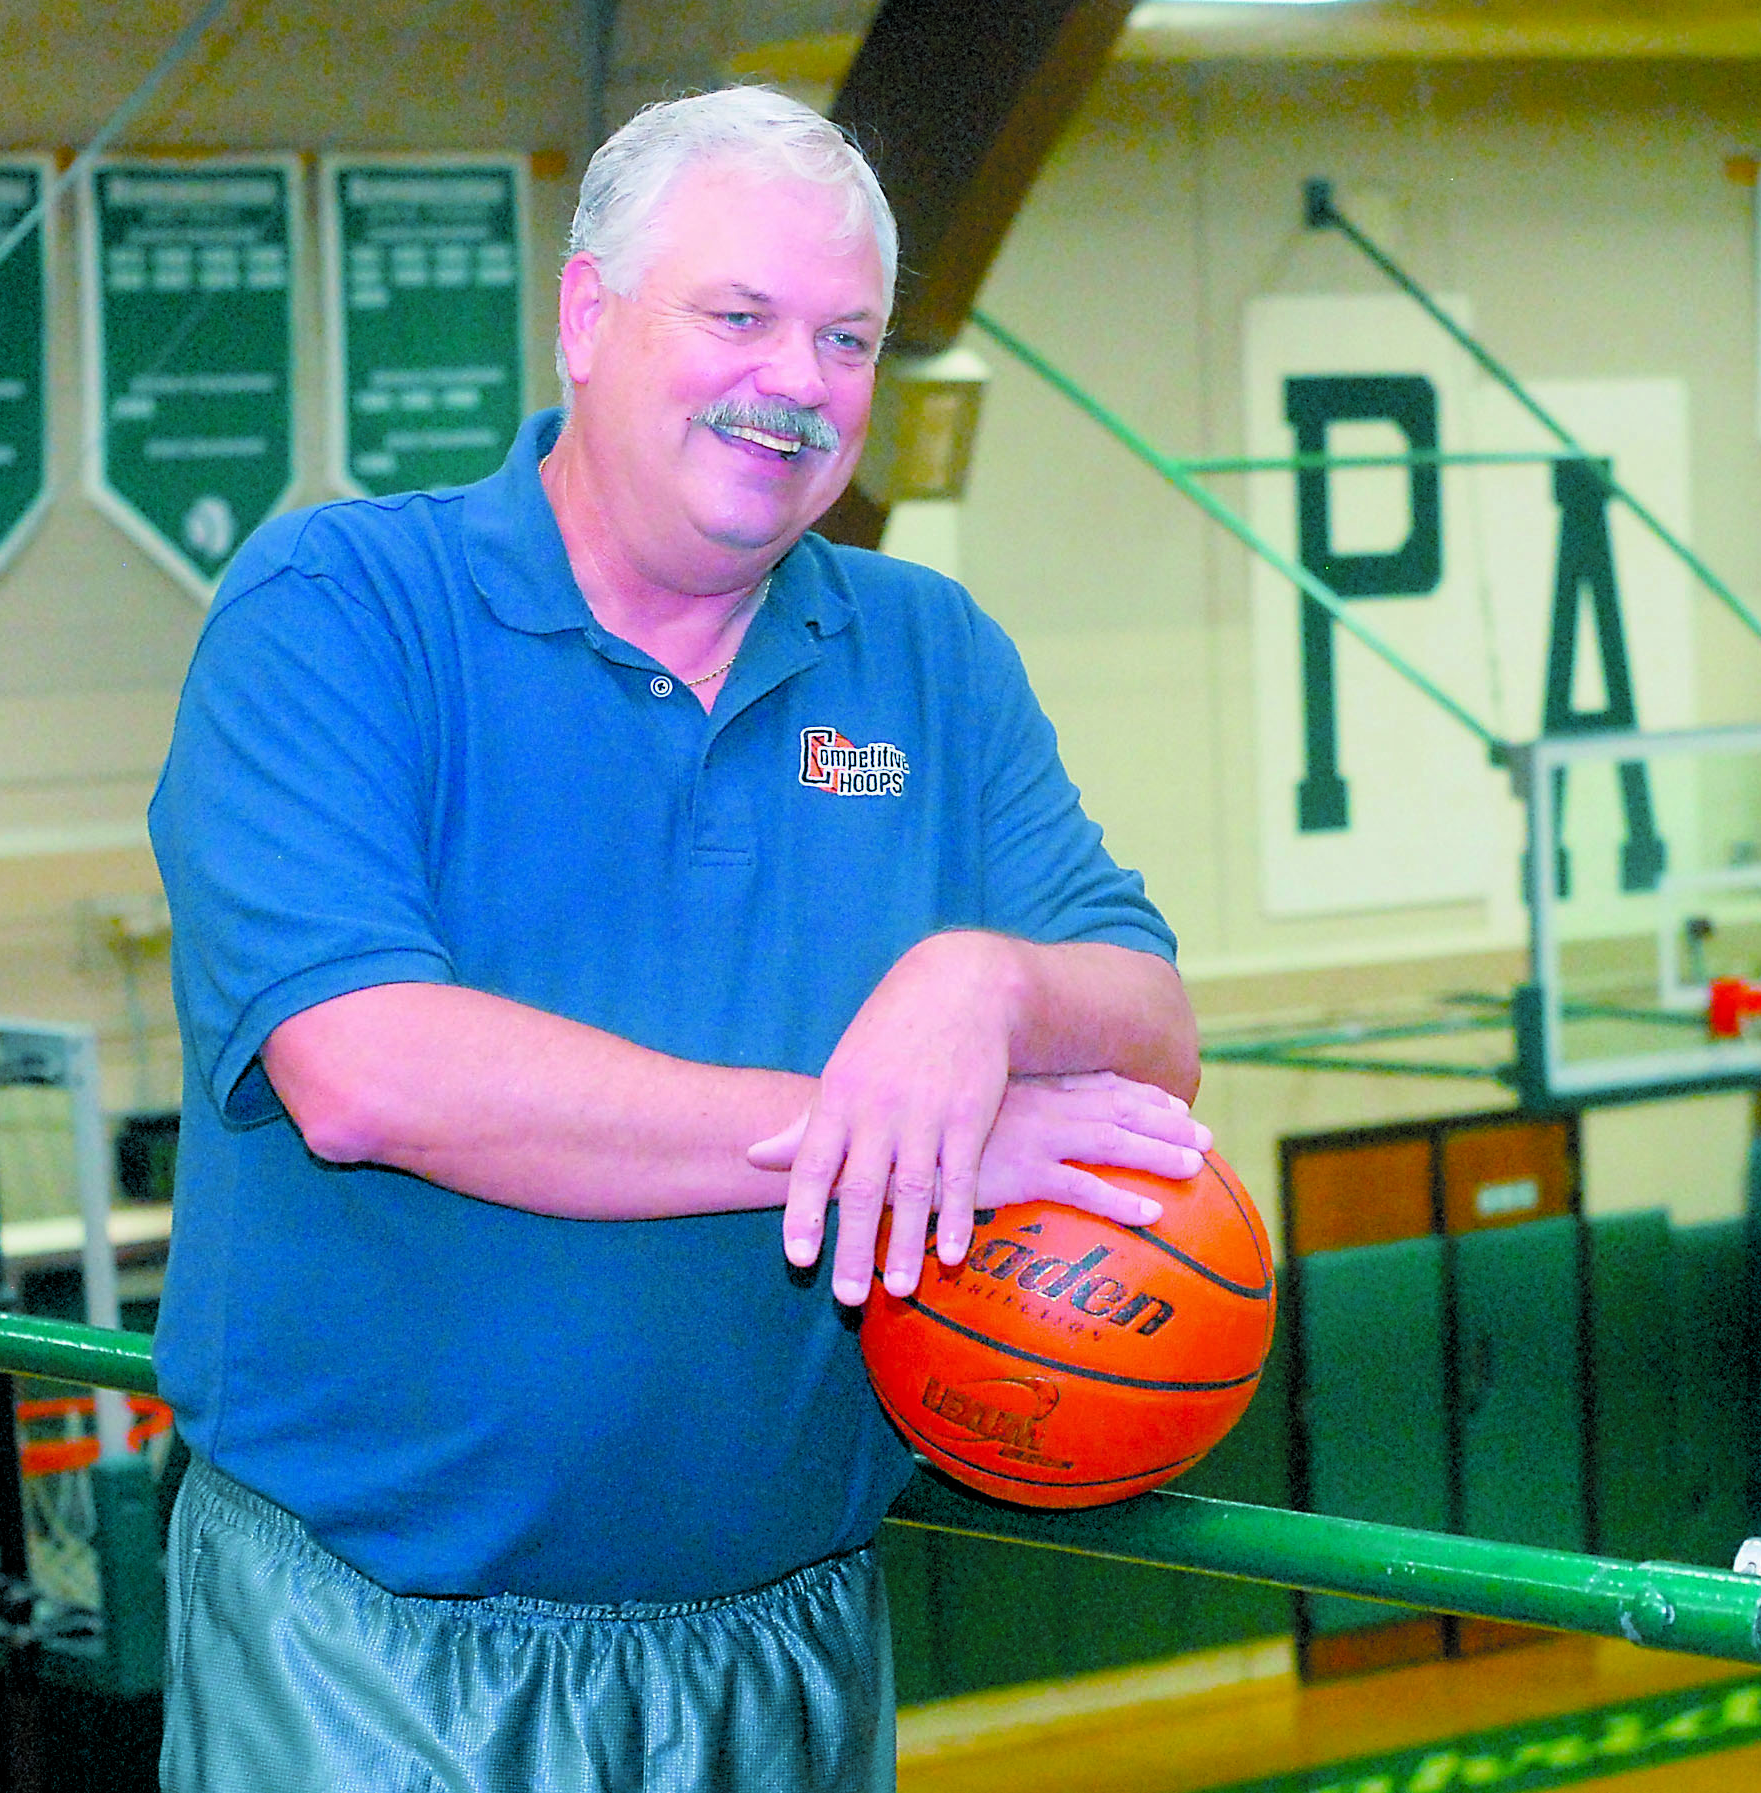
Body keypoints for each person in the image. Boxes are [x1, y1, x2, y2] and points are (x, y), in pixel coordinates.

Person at [147, 86, 1205, 1793]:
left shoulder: (927, 653)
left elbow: (1153, 1031)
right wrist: (900, 1139)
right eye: (740, 315)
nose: (797, 382)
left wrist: (985, 987)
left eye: (848, 338)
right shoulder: (341, 609)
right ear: (587, 318)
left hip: (785, 1637)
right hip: (370, 1642)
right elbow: (365, 1070)